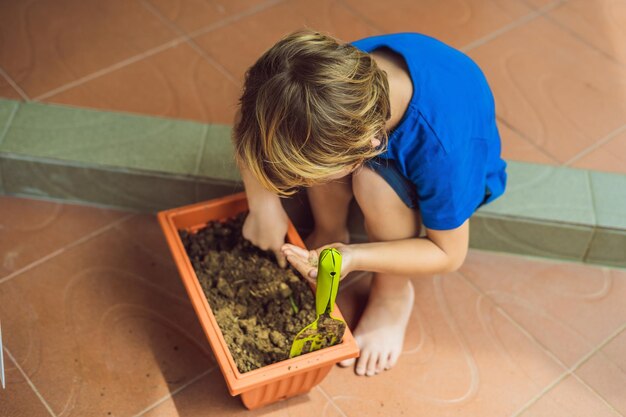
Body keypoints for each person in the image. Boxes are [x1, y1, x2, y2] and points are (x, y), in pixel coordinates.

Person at [231, 29, 507, 377]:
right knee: (328, 162)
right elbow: (249, 120)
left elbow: (448, 253)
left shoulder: (444, 150)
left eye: (306, 180)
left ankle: (392, 296)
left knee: (373, 184)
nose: (298, 187)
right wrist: (263, 205)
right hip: (379, 125)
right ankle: (330, 229)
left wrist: (356, 257)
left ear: (372, 145)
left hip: (454, 148)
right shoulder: (310, 83)